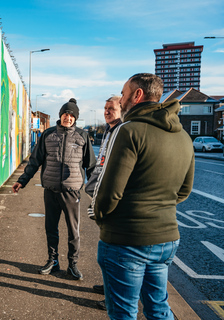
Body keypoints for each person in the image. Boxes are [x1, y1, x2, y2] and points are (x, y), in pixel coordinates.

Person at [94, 73, 195, 319]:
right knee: (158, 307)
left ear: (137, 95)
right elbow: (184, 190)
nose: (122, 99)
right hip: (166, 239)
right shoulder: (183, 135)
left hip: (126, 239)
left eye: (125, 93)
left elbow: (109, 191)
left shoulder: (129, 130)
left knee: (123, 312)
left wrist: (100, 217)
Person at [12, 98, 96, 280]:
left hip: (72, 191)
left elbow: (91, 166)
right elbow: (35, 161)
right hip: (50, 189)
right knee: (51, 227)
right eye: (66, 114)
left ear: (76, 118)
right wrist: (22, 180)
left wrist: (95, 192)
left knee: (73, 231)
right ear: (61, 115)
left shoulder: (82, 136)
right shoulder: (48, 135)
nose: (68, 117)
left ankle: (72, 265)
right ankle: (53, 260)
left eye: (72, 115)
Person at [84, 95, 122, 310]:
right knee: (106, 252)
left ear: (121, 109)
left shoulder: (121, 131)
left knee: (112, 253)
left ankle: (113, 297)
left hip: (109, 200)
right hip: (98, 194)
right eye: (105, 108)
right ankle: (109, 288)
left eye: (112, 108)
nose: (107, 112)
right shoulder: (108, 130)